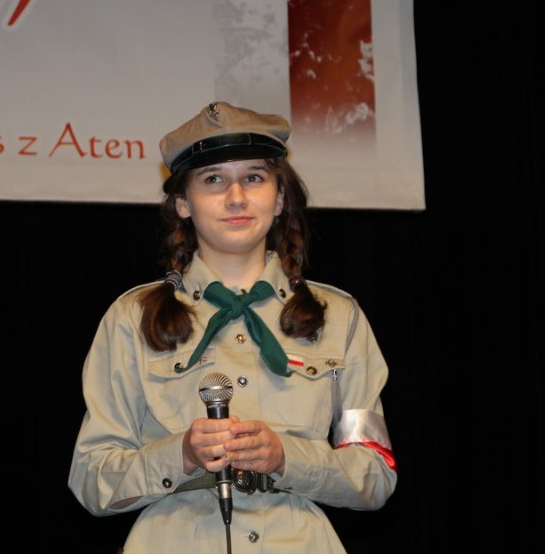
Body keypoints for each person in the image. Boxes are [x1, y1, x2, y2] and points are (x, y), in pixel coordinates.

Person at [68, 101, 397, 552]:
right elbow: (90, 479)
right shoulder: (132, 317)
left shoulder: (339, 317)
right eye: (213, 179)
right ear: (183, 203)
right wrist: (181, 454)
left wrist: (286, 457)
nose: (236, 197)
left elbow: (375, 473)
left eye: (254, 178)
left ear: (279, 198)